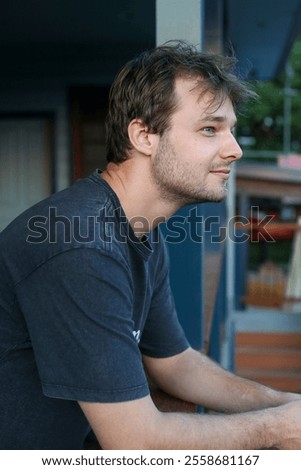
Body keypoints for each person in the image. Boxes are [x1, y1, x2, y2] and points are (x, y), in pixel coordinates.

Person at [0, 41, 300, 450]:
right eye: (209, 129)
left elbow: (174, 364)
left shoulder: (140, 229)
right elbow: (137, 441)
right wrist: (277, 429)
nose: (235, 149)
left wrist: (282, 404)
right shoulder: (80, 243)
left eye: (230, 129)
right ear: (144, 136)